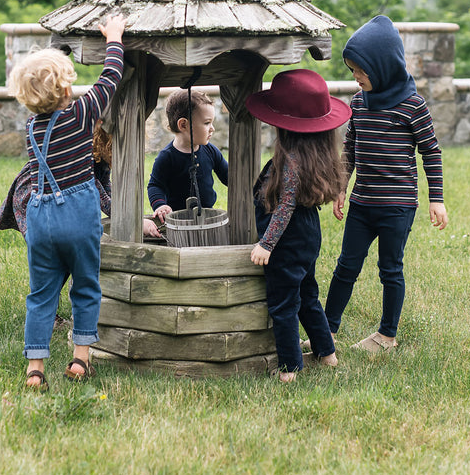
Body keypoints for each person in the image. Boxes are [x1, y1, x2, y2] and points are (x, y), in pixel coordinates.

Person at [0, 15, 125, 390]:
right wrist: (114, 37)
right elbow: (111, 77)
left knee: (41, 295)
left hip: (40, 219)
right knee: (85, 287)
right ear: (67, 91)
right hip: (79, 215)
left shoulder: (32, 128)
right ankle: (81, 361)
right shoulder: (81, 116)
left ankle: (35, 369)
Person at [324, 15, 448, 354]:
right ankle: (327, 331)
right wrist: (341, 186)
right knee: (346, 265)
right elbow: (349, 149)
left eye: (360, 70)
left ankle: (387, 336)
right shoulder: (359, 103)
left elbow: (431, 152)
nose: (355, 77)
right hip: (363, 204)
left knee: (390, 269)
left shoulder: (412, 105)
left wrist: (436, 199)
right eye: (352, 71)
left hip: (397, 206)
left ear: (382, 66)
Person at [245, 69, 350, 382]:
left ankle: (289, 368)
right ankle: (326, 353)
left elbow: (285, 205)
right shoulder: (316, 155)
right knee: (307, 294)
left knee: (284, 304)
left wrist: (267, 244)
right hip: (307, 233)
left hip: (287, 240)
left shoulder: (291, 161)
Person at [147, 89, 229, 225]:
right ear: (183, 125)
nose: (212, 128)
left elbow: (228, 176)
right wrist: (160, 205)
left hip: (208, 218)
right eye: (207, 123)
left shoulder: (210, 150)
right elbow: (155, 185)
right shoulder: (167, 157)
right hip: (178, 222)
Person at [93, 121, 163, 239]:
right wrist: (136, 222)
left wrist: (125, 209)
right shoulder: (87, 160)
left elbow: (105, 185)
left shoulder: (102, 157)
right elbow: (100, 197)